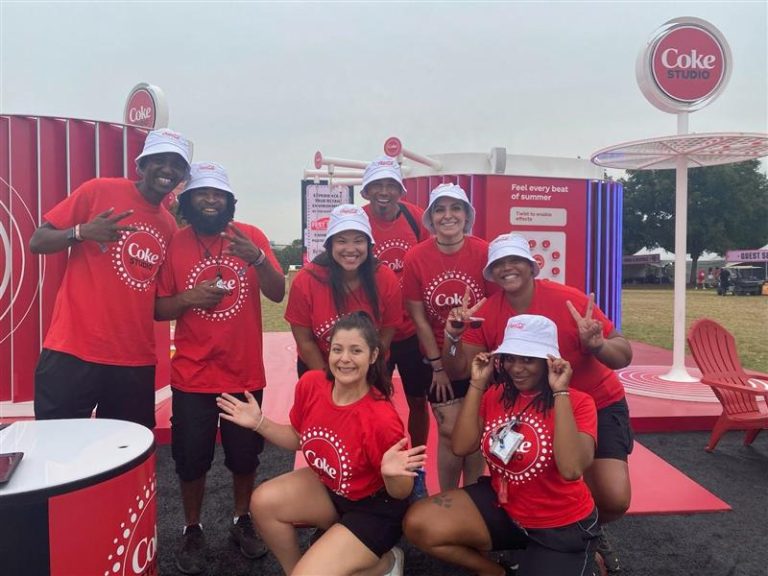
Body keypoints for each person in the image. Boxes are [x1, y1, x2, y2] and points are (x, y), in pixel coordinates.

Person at [443, 232, 633, 574]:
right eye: (498, 264)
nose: (507, 268)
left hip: (596, 401)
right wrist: (453, 336)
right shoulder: (486, 312)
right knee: (534, 480)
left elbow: (623, 355)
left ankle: (586, 531)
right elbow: (460, 368)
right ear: (491, 273)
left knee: (613, 497)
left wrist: (597, 345)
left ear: (532, 266)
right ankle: (537, 534)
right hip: (533, 406)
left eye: (514, 260)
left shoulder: (568, 301)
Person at [217, 312, 427, 576]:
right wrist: (260, 422)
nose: (345, 359)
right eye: (337, 349)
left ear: (373, 356)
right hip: (332, 489)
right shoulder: (312, 383)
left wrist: (390, 474)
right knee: (262, 502)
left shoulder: (381, 418)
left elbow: (400, 492)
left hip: (375, 509)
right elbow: (298, 438)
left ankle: (388, 563)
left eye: (356, 350)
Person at [154, 162, 285, 574]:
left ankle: (241, 519)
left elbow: (279, 293)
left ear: (229, 201)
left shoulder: (251, 236)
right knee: (190, 459)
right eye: (202, 193)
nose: (210, 200)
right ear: (189, 201)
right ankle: (192, 528)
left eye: (218, 194)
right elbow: (158, 308)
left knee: (245, 457)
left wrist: (260, 257)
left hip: (243, 371)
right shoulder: (175, 244)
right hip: (193, 375)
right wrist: (189, 297)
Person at [404, 315, 600, 576]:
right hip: (506, 509)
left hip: (559, 525)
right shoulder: (496, 395)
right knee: (419, 523)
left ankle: (587, 557)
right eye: (510, 358)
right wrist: (477, 383)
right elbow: (461, 446)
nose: (516, 368)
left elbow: (572, 469)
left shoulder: (579, 402)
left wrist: (560, 392)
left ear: (549, 361)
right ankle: (495, 570)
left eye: (528, 359)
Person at [31, 128, 191, 429]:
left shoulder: (169, 226)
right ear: (142, 165)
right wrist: (80, 233)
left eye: (177, 163)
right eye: (160, 160)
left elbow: (157, 302)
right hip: (73, 350)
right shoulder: (98, 191)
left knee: (123, 458)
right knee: (57, 450)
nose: (168, 169)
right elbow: (38, 241)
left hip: (133, 360)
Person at [402, 182, 496, 491]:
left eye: (455, 208)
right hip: (438, 355)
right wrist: (437, 367)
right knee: (449, 430)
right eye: (440, 209)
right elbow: (419, 318)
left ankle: (470, 497)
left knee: (476, 429)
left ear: (467, 215)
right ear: (431, 218)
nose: (448, 216)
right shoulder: (416, 257)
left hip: (479, 356)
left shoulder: (484, 252)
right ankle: (446, 497)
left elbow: (496, 308)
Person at [360, 156, 432, 469]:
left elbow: (432, 261)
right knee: (373, 401)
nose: (384, 191)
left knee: (418, 401)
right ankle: (376, 461)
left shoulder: (416, 219)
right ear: (366, 190)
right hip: (373, 333)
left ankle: (415, 463)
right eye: (377, 185)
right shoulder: (358, 220)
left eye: (391, 185)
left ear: (400, 190)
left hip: (412, 331)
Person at [285, 204, 402, 376]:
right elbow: (305, 341)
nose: (350, 249)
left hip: (368, 371)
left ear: (369, 245)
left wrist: (364, 376)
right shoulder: (306, 280)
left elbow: (386, 333)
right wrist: (331, 381)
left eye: (358, 241)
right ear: (329, 244)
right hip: (318, 368)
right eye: (341, 241)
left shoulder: (385, 278)